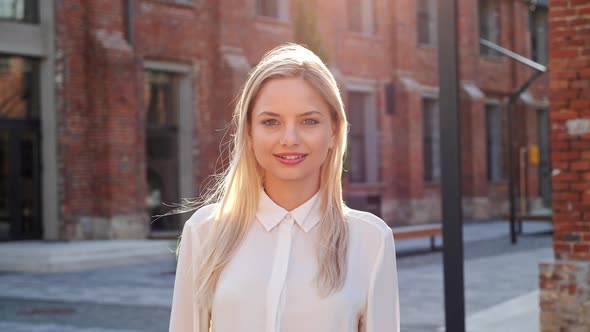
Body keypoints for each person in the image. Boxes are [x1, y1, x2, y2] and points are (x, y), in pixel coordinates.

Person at [169, 43, 399, 332]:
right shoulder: (204, 231)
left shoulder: (371, 240)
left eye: (309, 121)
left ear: (334, 132)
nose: (289, 138)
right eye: (271, 122)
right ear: (250, 133)